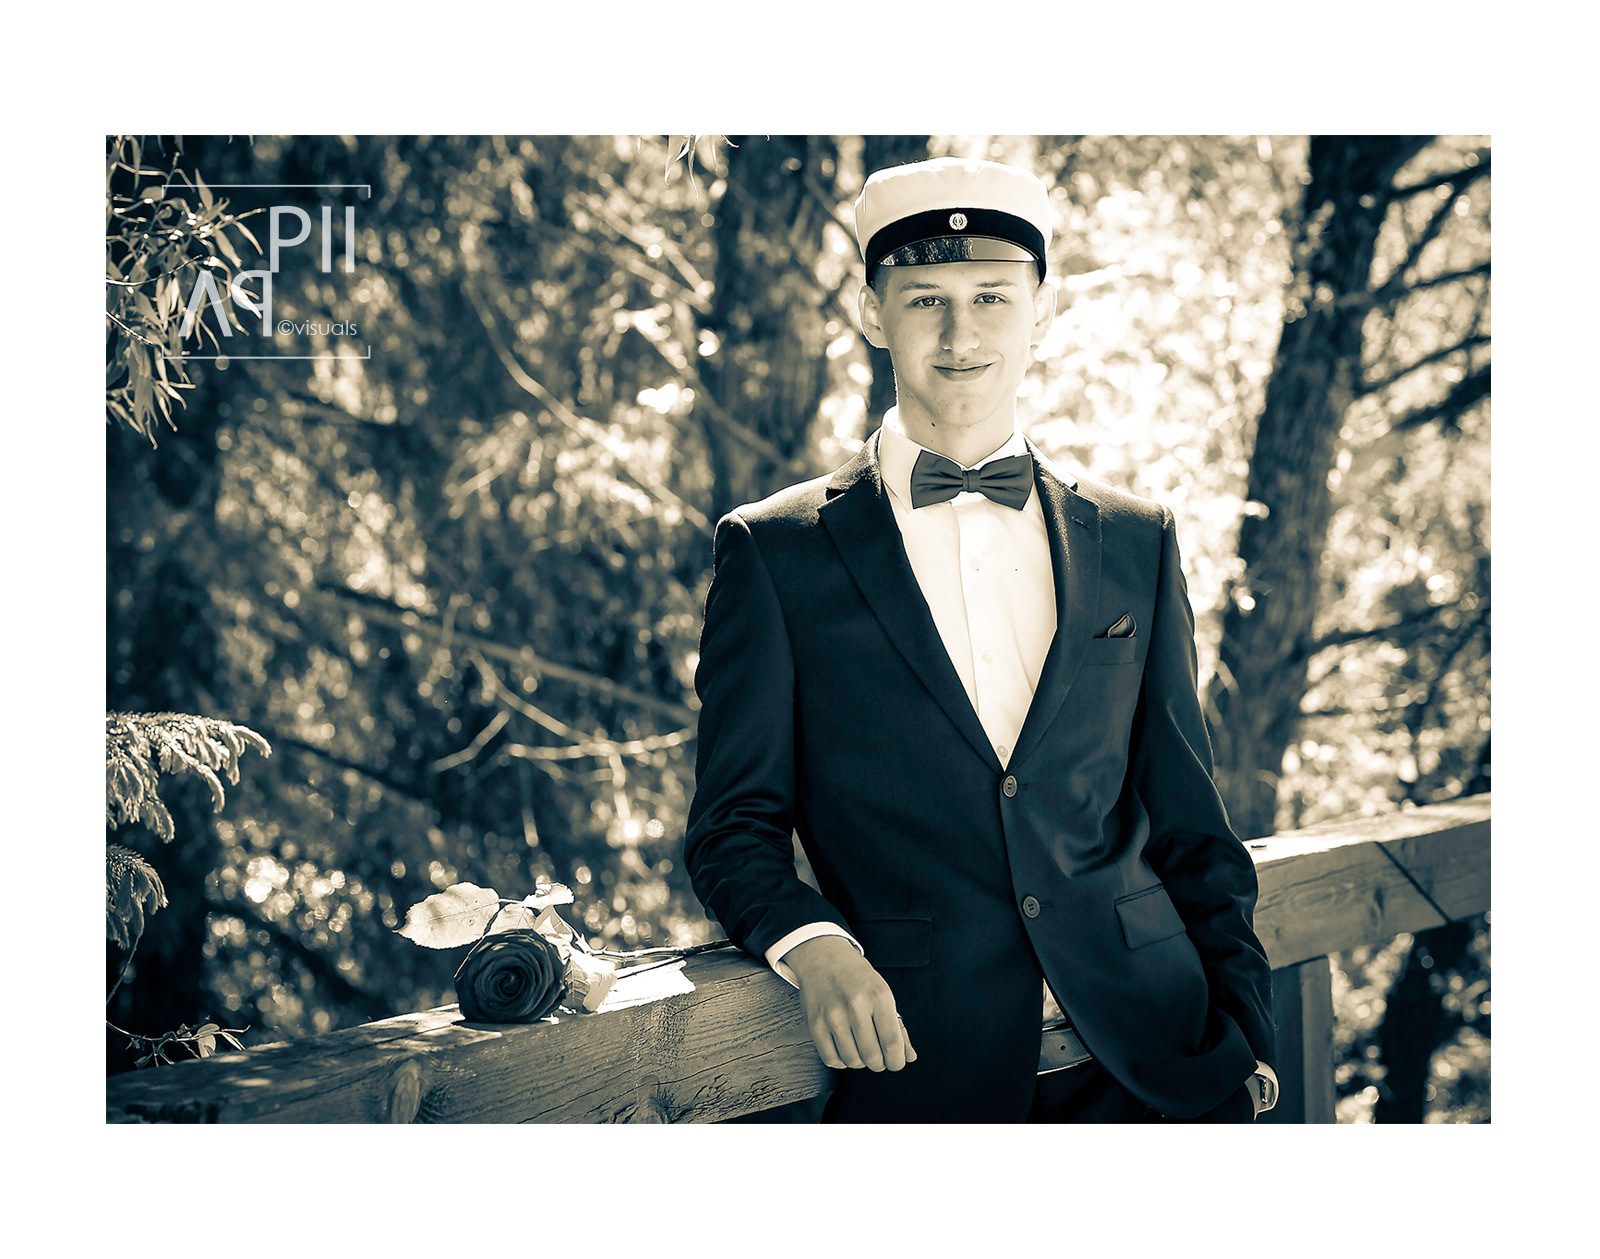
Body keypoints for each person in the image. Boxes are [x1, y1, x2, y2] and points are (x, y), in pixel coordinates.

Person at [683, 155, 1278, 1122]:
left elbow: (1189, 821)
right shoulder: (775, 551)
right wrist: (814, 943)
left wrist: (1250, 1042)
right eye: (926, 300)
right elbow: (731, 828)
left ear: (1042, 311)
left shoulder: (1136, 537)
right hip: (928, 1073)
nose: (961, 335)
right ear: (873, 314)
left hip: (1160, 1064)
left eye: (992, 297)